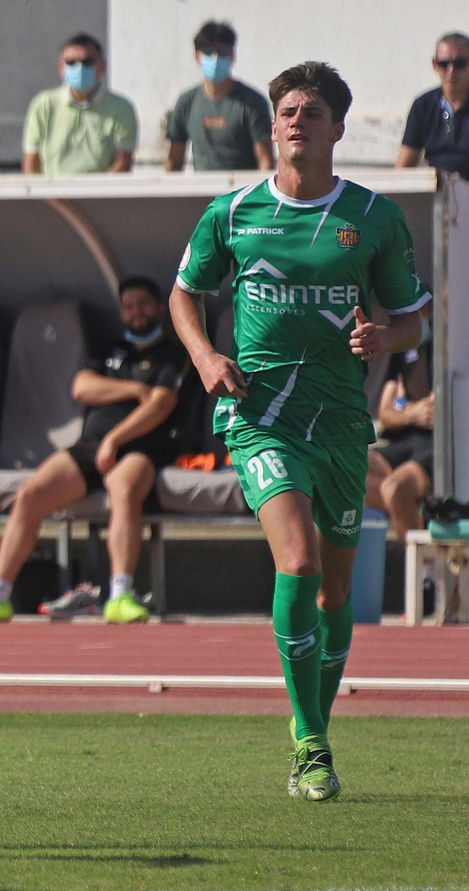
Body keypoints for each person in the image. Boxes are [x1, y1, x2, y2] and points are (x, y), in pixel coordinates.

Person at [171, 62, 430, 802]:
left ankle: (316, 730)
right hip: (260, 418)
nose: (294, 120)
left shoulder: (374, 217)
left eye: (311, 111)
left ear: (337, 128)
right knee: (300, 561)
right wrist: (205, 355)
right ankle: (310, 742)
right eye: (286, 109)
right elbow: (185, 294)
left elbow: (413, 314)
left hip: (343, 422)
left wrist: (385, 335)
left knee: (337, 588)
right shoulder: (234, 211)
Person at [0, 277, 188, 624]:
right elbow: (82, 388)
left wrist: (116, 439)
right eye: (129, 305)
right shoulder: (109, 349)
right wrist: (134, 388)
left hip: (141, 448)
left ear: (159, 307)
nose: (136, 312)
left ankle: (120, 594)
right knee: (31, 494)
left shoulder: (172, 351)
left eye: (143, 304)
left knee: (123, 488)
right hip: (91, 446)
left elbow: (161, 405)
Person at [165, 21, 274, 172]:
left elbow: (265, 161)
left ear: (232, 56)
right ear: (197, 56)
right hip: (200, 192)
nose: (216, 57)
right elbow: (174, 162)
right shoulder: (186, 102)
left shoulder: (253, 103)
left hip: (242, 192)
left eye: (222, 51)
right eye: (208, 51)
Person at [22, 33, 137, 175]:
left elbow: (123, 163)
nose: (79, 68)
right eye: (71, 63)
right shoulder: (43, 105)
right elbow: (31, 164)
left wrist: (95, 195)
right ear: (60, 68)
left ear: (102, 66)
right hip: (50, 195)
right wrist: (50, 197)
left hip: (101, 195)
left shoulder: (121, 108)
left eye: (87, 62)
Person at [368, 338, 434, 536]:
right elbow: (386, 413)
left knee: (396, 489)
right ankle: (414, 511)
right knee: (345, 466)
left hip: (437, 444)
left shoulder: (454, 346)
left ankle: (426, 564)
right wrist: (412, 413)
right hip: (405, 441)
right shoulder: (403, 349)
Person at [396, 32, 469, 180]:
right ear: (435, 64)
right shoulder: (423, 105)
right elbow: (403, 166)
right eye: (444, 64)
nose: (451, 71)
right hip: (436, 191)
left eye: (459, 64)